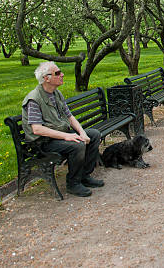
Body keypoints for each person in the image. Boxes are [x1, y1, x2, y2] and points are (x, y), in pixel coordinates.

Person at [21, 61, 104, 197]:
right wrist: (67, 136)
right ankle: (73, 183)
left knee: (94, 135)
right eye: (58, 73)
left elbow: (69, 116)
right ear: (46, 78)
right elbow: (37, 129)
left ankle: (84, 176)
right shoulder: (34, 99)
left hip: (59, 135)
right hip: (44, 142)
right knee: (77, 145)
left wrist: (82, 132)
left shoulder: (56, 93)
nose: (62, 75)